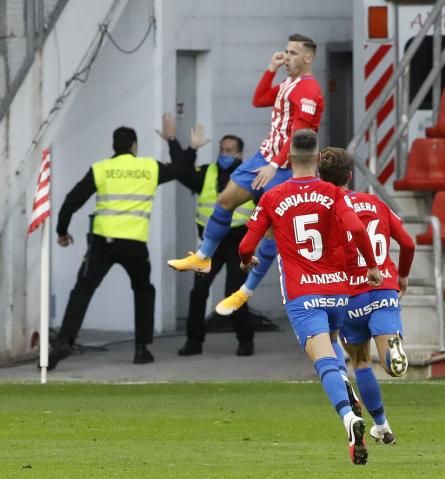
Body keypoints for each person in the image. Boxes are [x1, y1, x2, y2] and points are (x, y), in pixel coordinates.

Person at [239, 129, 382, 465]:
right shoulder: (333, 193)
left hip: (304, 293)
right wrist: (373, 266)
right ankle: (345, 384)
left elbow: (246, 245)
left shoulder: (273, 197)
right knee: (332, 341)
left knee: (323, 362)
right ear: (318, 159)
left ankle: (348, 418)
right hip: (338, 292)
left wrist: (248, 260)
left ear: (288, 160)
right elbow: (358, 230)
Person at [169, 32, 325, 312]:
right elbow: (259, 99)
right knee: (225, 200)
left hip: (286, 167)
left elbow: (300, 134)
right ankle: (204, 256)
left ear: (308, 57)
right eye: (285, 52)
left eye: (292, 53)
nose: (286, 57)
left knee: (270, 234)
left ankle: (246, 290)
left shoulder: (309, 90)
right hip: (263, 156)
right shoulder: (289, 84)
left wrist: (275, 164)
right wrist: (270, 69)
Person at [48, 123, 182, 369]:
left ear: (114, 146)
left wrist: (62, 231)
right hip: (135, 245)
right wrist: (171, 140)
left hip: (102, 243)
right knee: (143, 290)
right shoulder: (148, 168)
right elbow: (180, 168)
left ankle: (64, 341)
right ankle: (141, 350)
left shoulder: (102, 169)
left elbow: (71, 201)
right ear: (134, 146)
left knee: (83, 290)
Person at [317, 146, 416, 445]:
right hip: (384, 286)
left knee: (360, 363)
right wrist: (403, 275)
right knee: (389, 362)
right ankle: (392, 351)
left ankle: (382, 424)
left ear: (322, 178)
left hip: (350, 294)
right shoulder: (375, 203)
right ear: (350, 175)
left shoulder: (326, 210)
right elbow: (408, 243)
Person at [157, 114, 257, 356]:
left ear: (240, 154)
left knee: (234, 292)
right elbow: (181, 172)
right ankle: (194, 341)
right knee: (198, 292)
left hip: (238, 243)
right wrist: (179, 143)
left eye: (230, 150)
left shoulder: (251, 177)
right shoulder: (207, 173)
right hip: (212, 244)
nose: (224, 154)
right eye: (222, 149)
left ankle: (245, 340)